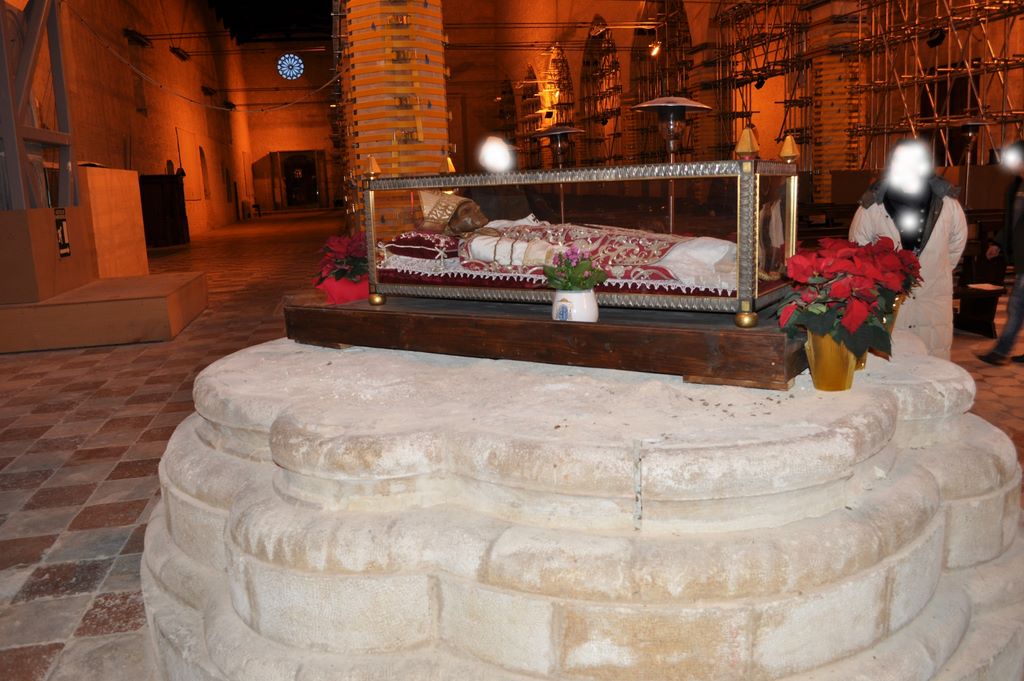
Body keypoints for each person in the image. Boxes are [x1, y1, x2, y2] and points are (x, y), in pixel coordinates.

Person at [849, 139, 968, 359]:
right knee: (892, 365)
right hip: (890, 303)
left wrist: (930, 271)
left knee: (932, 365)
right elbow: (858, 251)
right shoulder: (872, 207)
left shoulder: (948, 205)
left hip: (932, 302)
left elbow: (955, 246)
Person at [978, 140, 1024, 365]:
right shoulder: (1016, 186)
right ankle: (1001, 351)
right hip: (1021, 257)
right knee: (1018, 305)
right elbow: (1012, 222)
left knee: (1016, 304)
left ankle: (1000, 352)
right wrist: (998, 243)